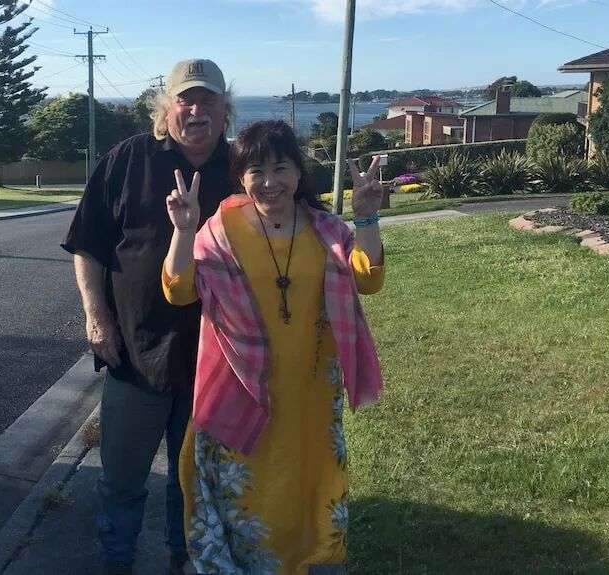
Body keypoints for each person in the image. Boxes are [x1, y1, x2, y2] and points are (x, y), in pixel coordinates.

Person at [162, 120, 386, 574]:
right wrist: (183, 230)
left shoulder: (326, 230)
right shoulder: (219, 231)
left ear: (299, 173)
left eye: (281, 168)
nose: (269, 182)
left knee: (307, 482)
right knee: (245, 491)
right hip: (240, 386)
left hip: (310, 393)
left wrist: (365, 217)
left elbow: (368, 278)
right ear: (240, 175)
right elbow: (179, 290)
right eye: (256, 170)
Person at [62, 59, 233, 575]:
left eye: (207, 100)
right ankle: (117, 563)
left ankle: (184, 563)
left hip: (216, 362)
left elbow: (297, 224)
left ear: (225, 110)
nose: (196, 109)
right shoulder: (128, 159)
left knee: (194, 483)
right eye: (186, 99)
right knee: (122, 478)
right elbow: (86, 246)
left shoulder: (246, 167)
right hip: (135, 354)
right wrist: (96, 319)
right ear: (168, 107)